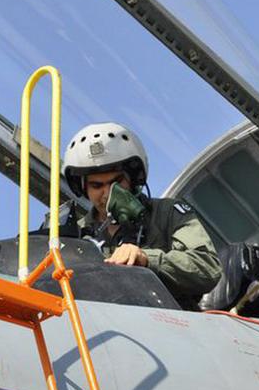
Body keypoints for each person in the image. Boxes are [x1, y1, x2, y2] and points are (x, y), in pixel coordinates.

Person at [62, 122, 221, 310]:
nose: (106, 194)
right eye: (97, 186)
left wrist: (146, 259)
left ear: (133, 178)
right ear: (83, 188)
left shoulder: (166, 212)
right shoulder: (73, 235)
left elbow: (207, 267)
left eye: (116, 182)